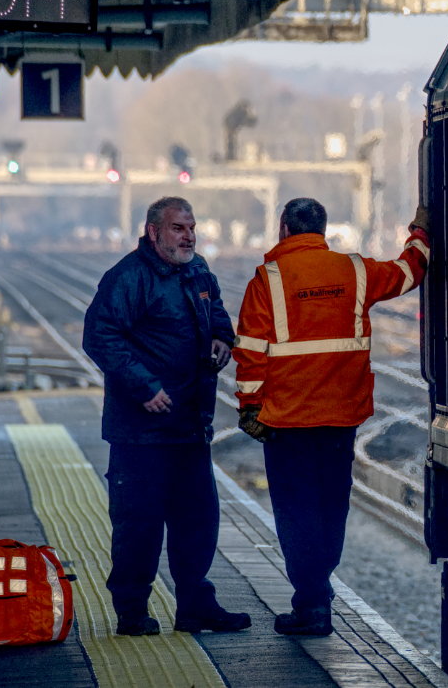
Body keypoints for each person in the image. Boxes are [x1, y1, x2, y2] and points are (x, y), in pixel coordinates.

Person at [232, 197, 431, 636]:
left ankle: (312, 602)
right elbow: (408, 272)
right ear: (321, 230)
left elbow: (249, 351)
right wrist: (420, 232)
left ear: (284, 228)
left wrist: (249, 406)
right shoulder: (355, 271)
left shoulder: (268, 280)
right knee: (331, 505)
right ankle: (318, 587)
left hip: (286, 421)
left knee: (296, 511)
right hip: (341, 417)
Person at [82, 196, 251, 637]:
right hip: (140, 433)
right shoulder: (128, 277)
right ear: (154, 232)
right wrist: (144, 386)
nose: (189, 236)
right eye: (178, 228)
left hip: (190, 427)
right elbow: (99, 335)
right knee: (138, 525)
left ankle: (194, 604)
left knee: (198, 521)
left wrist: (222, 339)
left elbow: (216, 315)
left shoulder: (197, 270)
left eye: (192, 227)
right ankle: (132, 611)